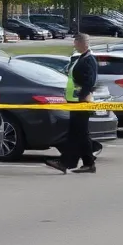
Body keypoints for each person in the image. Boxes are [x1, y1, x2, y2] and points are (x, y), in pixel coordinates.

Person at [47, 34, 98, 174]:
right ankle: (85, 163)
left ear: (83, 43)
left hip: (81, 102)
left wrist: (82, 97)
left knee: (78, 133)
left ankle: (67, 162)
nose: (74, 45)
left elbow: (90, 82)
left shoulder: (89, 60)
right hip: (74, 101)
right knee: (79, 133)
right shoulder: (81, 58)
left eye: (76, 43)